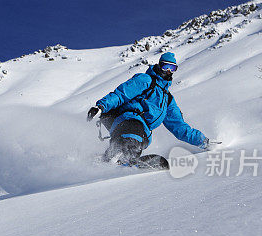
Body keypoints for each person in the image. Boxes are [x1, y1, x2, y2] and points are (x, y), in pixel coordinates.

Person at [86, 52, 215, 166]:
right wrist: (101, 106)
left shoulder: (168, 100)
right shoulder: (146, 80)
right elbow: (121, 94)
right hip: (127, 121)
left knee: (135, 144)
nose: (168, 71)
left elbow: (179, 127)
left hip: (144, 133)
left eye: (173, 68)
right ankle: (120, 159)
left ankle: (104, 162)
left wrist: (203, 141)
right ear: (159, 65)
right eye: (166, 67)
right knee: (130, 139)